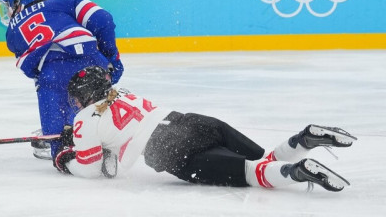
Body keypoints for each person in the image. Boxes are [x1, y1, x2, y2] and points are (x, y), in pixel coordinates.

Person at [54, 66, 356, 193]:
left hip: (170, 149)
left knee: (253, 173)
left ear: (86, 94)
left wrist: (66, 158)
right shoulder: (124, 92)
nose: (77, 103)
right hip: (193, 121)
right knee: (266, 158)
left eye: (78, 97)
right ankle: (304, 138)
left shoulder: (85, 118)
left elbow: (94, 170)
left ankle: (299, 171)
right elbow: (117, 133)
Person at [0, 0, 124, 160]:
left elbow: (30, 69)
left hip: (54, 73)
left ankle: (64, 144)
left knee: (58, 141)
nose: (8, 13)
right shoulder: (66, 2)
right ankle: (113, 133)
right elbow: (103, 19)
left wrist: (55, 128)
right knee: (105, 113)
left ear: (19, 2)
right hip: (93, 59)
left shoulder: (12, 32)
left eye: (9, 6)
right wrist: (111, 58)